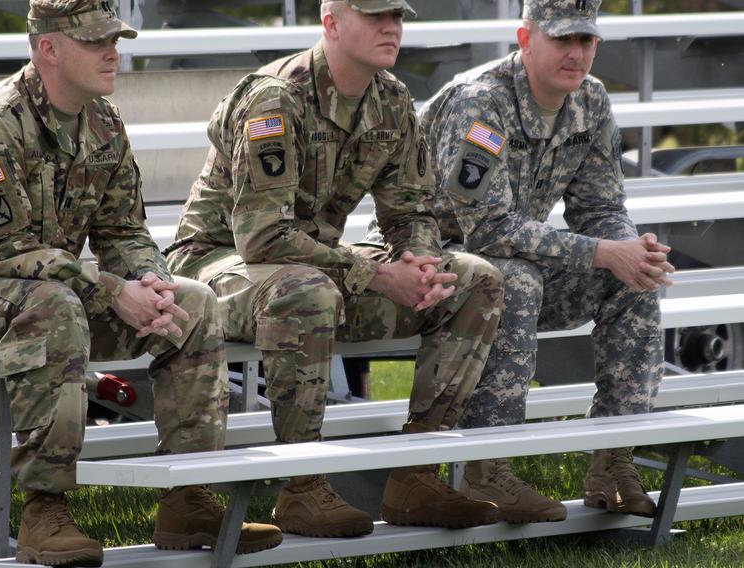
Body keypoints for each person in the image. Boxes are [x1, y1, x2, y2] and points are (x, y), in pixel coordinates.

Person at [0, 1, 282, 565]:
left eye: (114, 38)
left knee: (195, 302)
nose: (112, 52)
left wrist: (151, 281)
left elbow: (124, 230)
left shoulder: (104, 123)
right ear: (49, 49)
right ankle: (45, 509)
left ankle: (190, 497)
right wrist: (114, 292)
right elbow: (4, 249)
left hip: (42, 287)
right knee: (53, 307)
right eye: (95, 42)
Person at [166, 0, 504, 538]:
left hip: (317, 267)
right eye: (375, 16)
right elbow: (261, 237)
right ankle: (301, 485)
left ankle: (415, 473)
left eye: (397, 17)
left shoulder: (391, 99)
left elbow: (411, 211)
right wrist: (375, 275)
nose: (391, 27)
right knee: (308, 292)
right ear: (331, 23)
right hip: (218, 264)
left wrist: (417, 259)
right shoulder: (275, 99)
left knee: (474, 280)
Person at [415, 0, 675, 524]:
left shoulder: (591, 100)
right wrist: (605, 251)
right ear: (526, 39)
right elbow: (486, 230)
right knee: (514, 278)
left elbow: (599, 208)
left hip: (514, 257)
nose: (576, 54)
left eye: (586, 41)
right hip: (431, 268)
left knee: (635, 279)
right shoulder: (480, 103)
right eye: (562, 40)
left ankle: (615, 459)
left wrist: (629, 250)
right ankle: (488, 466)